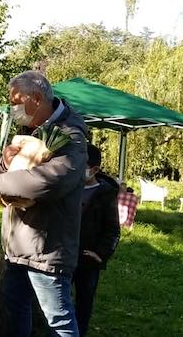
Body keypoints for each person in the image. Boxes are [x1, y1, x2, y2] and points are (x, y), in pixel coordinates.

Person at [0, 70, 87, 337]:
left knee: (58, 321)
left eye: (15, 102)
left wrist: (0, 184)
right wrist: (4, 164)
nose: (13, 109)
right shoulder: (29, 128)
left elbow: (51, 181)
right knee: (15, 310)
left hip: (46, 246)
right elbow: (0, 169)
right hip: (18, 243)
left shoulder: (71, 134)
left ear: (35, 98)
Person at [74, 144, 120, 336]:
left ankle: (79, 332)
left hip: (87, 259)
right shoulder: (70, 187)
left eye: (81, 165)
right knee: (59, 299)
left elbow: (113, 229)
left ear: (94, 169)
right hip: (64, 253)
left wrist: (100, 254)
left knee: (84, 301)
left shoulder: (105, 194)